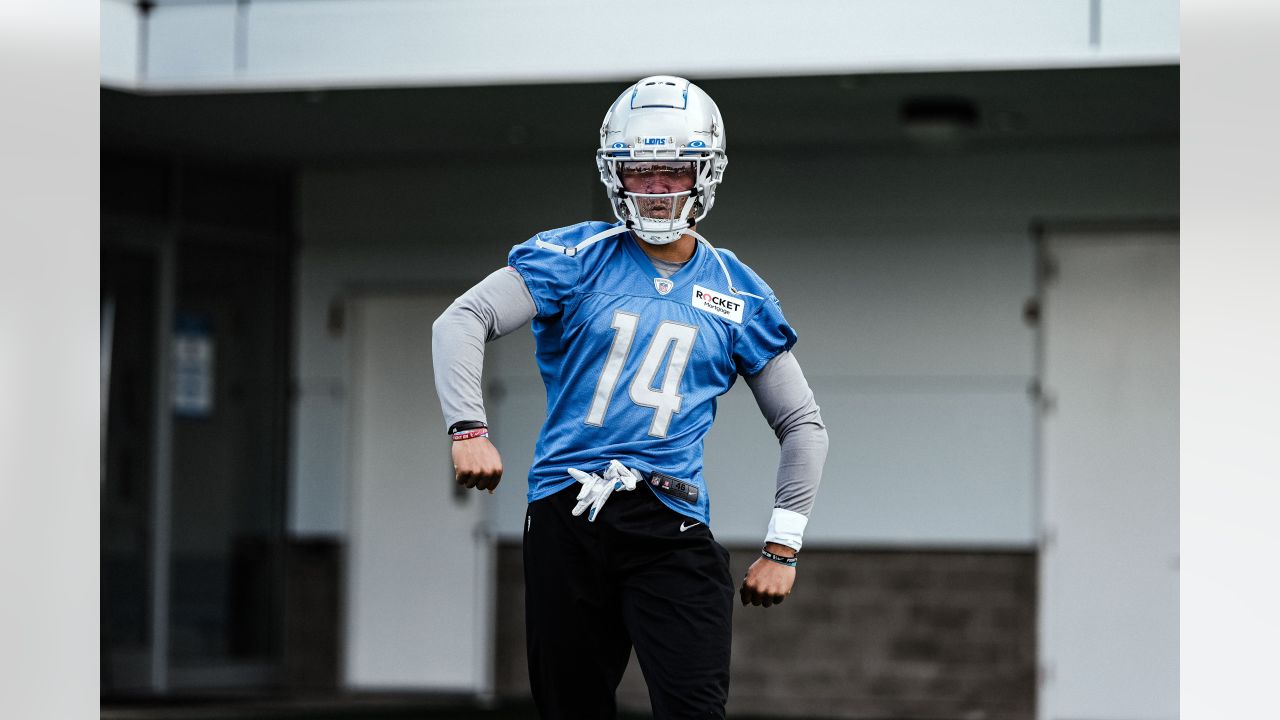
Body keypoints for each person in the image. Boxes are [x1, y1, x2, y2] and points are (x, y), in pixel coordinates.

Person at [432, 75, 828, 720]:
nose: (656, 188)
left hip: (671, 521)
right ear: (614, 175)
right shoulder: (575, 256)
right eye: (638, 171)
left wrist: (783, 546)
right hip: (569, 507)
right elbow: (462, 320)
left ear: (706, 173)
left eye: (672, 171)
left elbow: (802, 425)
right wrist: (467, 428)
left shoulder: (740, 289)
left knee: (695, 710)